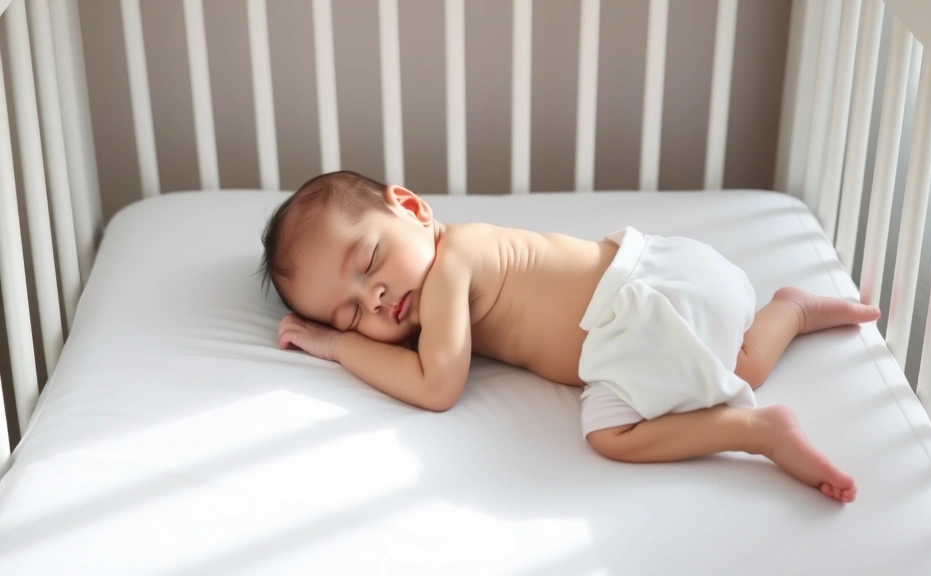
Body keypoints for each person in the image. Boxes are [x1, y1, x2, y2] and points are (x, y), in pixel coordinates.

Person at [260, 170, 879, 503]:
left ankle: (755, 431)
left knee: (610, 435)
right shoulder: (453, 260)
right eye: (349, 313)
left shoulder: (452, 265)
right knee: (741, 365)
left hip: (635, 317)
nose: (373, 298)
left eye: (369, 261)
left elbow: (437, 384)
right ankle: (791, 311)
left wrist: (337, 344)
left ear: (414, 208)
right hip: (671, 273)